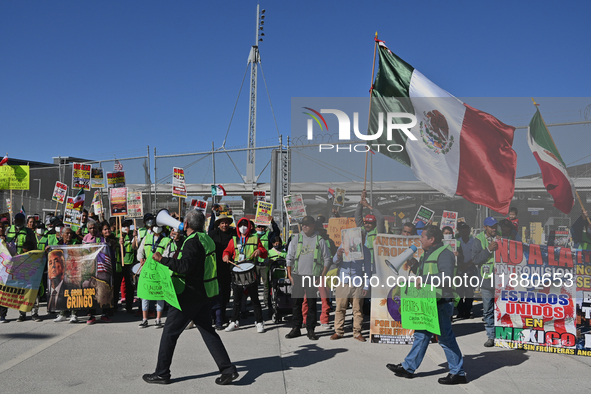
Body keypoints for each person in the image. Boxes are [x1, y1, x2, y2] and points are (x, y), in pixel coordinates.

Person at [143, 210, 238, 386]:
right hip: (203, 294)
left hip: (187, 295)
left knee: (169, 334)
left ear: (186, 224)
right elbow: (196, 261)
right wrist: (180, 242)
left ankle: (162, 373)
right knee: (208, 333)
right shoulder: (205, 238)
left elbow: (185, 266)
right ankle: (228, 370)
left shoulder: (193, 242)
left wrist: (161, 259)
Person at [386, 225, 467, 385]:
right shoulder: (427, 253)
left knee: (445, 338)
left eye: (423, 237)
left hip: (441, 301)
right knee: (421, 335)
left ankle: (458, 373)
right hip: (429, 300)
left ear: (432, 239)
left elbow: (446, 277)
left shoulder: (445, 253)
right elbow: (425, 274)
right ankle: (408, 367)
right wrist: (415, 265)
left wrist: (424, 279)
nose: (420, 239)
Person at [285, 216, 332, 340]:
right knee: (296, 303)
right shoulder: (296, 239)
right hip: (297, 276)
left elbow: (327, 258)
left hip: (312, 277)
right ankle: (296, 328)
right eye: (303, 224)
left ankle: (310, 329)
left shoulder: (319, 240)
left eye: (307, 224)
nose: (304, 226)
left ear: (313, 226)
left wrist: (322, 275)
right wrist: (289, 275)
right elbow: (289, 257)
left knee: (311, 304)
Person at [222, 217, 267, 333]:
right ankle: (234, 321)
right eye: (241, 225)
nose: (243, 227)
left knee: (255, 299)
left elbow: (264, 253)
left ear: (249, 226)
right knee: (236, 299)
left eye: (245, 225)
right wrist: (225, 256)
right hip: (237, 270)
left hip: (250, 270)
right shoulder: (233, 239)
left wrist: (260, 251)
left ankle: (259, 322)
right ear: (238, 227)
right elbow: (227, 251)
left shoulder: (255, 238)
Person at [328, 243, 370, 341]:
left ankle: (357, 332)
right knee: (340, 307)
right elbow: (334, 261)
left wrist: (366, 286)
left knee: (358, 309)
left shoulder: (365, 250)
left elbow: (368, 269)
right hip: (343, 281)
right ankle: (338, 331)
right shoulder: (343, 245)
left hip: (357, 282)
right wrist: (338, 254)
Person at [472, 217, 499, 347]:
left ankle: (502, 334)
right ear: (485, 227)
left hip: (500, 280)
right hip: (486, 280)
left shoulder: (501, 238)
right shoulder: (478, 240)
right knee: (488, 309)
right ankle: (491, 336)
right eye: (491, 226)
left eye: (495, 226)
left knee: (501, 308)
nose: (494, 229)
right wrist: (488, 249)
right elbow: (475, 259)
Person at [137, 222, 170, 328]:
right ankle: (144, 319)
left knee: (159, 294)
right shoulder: (146, 238)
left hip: (159, 270)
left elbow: (167, 254)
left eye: (159, 226)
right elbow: (140, 251)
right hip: (147, 271)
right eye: (155, 226)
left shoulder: (166, 240)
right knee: (145, 295)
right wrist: (141, 258)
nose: (157, 228)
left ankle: (158, 319)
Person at [208, 212, 235, 327]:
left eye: (227, 223)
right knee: (215, 294)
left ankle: (222, 315)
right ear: (218, 224)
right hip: (214, 268)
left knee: (225, 293)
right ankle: (214, 316)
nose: (225, 225)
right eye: (222, 223)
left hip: (228, 268)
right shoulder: (213, 234)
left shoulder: (233, 234)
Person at [52, 228, 81, 322]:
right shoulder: (59, 245)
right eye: (67, 233)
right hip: (62, 272)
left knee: (73, 292)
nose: (69, 235)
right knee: (62, 293)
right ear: (62, 234)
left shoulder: (76, 243)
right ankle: (62, 313)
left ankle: (74, 314)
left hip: (73, 271)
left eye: (70, 234)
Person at [456, 222, 476, 319]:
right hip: (459, 269)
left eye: (466, 232)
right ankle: (460, 311)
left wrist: (467, 265)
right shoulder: (456, 242)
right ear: (460, 232)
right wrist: (460, 265)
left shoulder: (474, 242)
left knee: (469, 291)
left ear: (469, 232)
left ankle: (468, 311)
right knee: (459, 291)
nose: (464, 233)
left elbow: (476, 256)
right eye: (462, 232)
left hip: (470, 268)